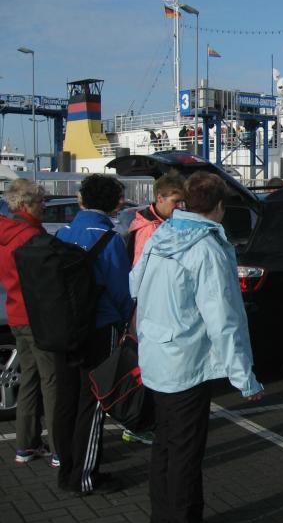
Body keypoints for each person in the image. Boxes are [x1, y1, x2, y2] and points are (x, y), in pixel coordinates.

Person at [130, 171, 264, 523]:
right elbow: (223, 320)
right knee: (185, 453)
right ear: (219, 206)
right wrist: (244, 377)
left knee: (165, 446)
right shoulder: (207, 247)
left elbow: (134, 284)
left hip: (157, 353)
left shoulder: (162, 235)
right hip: (185, 362)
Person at [54, 174, 134, 496]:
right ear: (114, 203)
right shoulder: (109, 238)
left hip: (63, 327)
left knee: (66, 399)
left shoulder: (62, 233)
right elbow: (121, 291)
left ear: (82, 199)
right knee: (95, 400)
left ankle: (66, 467)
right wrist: (128, 322)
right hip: (100, 327)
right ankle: (85, 476)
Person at [118, 169, 185, 446]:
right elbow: (141, 273)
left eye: (182, 202)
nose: (180, 207)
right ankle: (137, 423)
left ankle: (140, 421)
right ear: (160, 198)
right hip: (148, 310)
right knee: (147, 368)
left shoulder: (152, 222)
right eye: (175, 201)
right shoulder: (150, 229)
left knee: (147, 366)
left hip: (148, 310)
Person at [0, 180, 60, 468]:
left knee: (29, 379)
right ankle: (60, 449)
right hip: (38, 317)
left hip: (16, 314)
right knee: (52, 381)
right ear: (25, 205)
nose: (44, 206)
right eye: (40, 202)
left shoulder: (7, 234)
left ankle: (26, 444)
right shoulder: (31, 236)